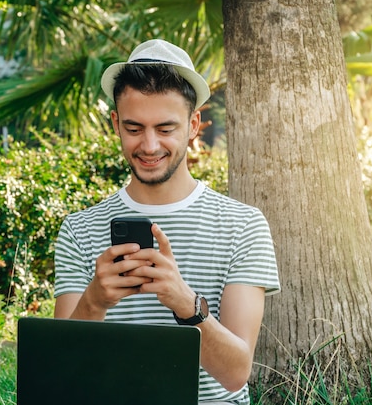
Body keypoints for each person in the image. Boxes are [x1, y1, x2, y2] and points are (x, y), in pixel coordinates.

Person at [53, 39, 280, 405]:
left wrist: (185, 303)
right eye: (133, 128)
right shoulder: (79, 230)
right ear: (115, 124)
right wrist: (94, 302)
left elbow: (236, 373)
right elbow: (62, 373)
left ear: (193, 126)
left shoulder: (244, 226)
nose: (149, 145)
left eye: (165, 128)